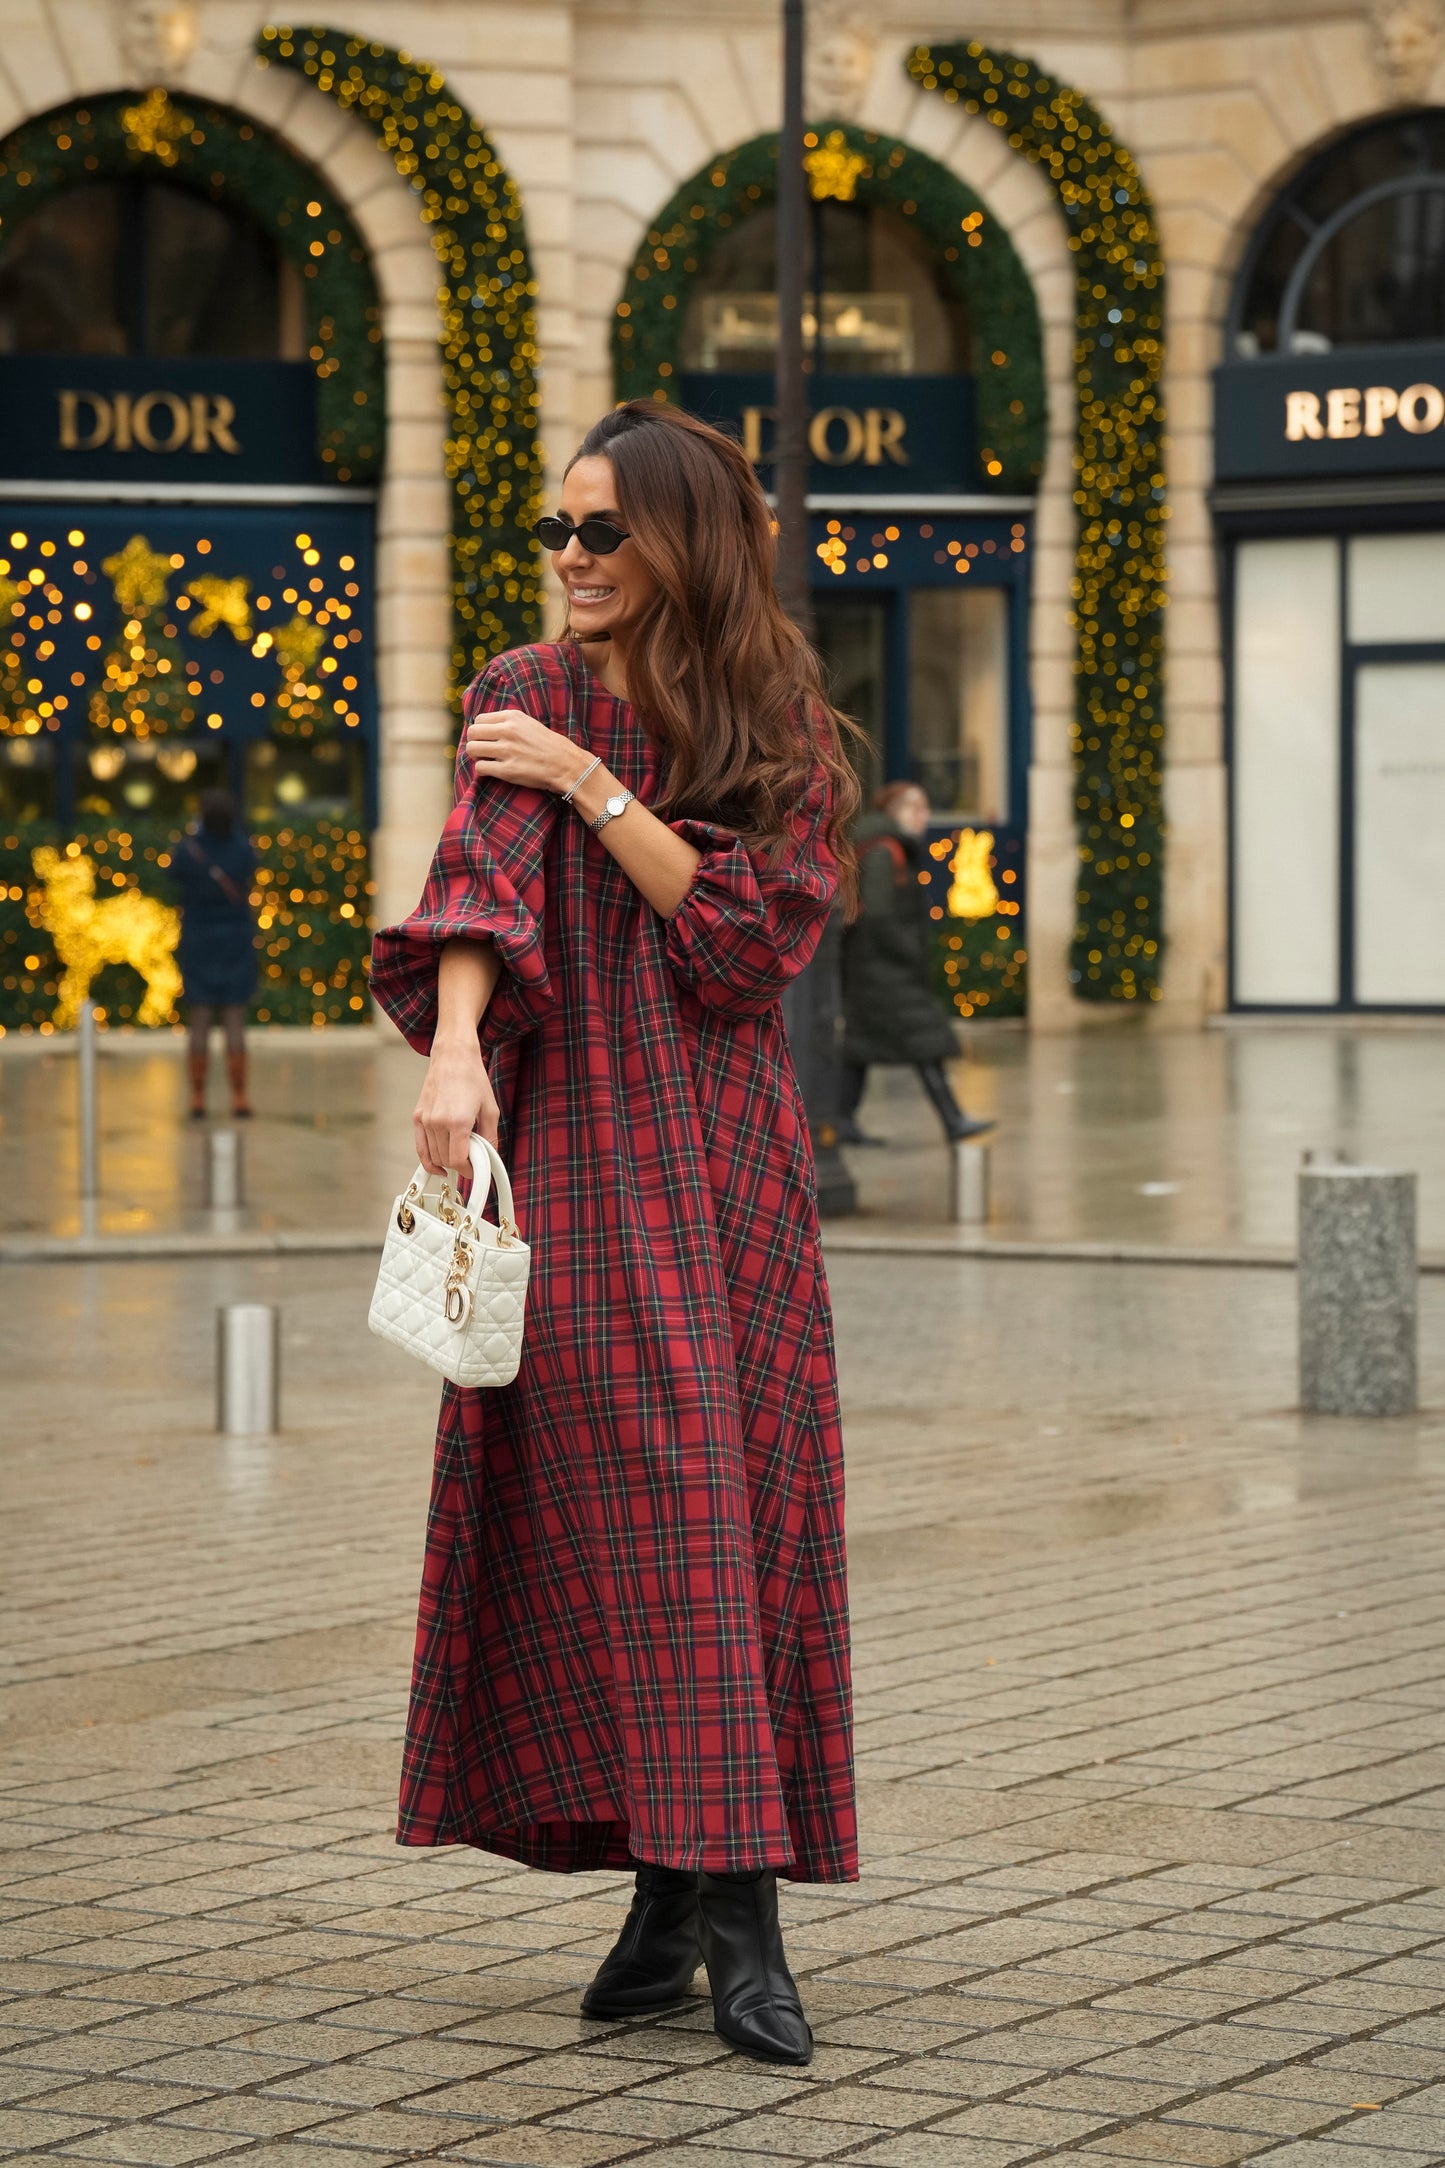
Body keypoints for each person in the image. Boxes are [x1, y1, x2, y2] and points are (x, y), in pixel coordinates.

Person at [368, 401, 859, 2068]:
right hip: (577, 1151)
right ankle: (700, 1900)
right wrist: (451, 1049)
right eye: (558, 529)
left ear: (681, 540)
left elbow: (742, 947)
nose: (571, 558)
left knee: (740, 1513)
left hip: (729, 1172)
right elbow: (474, 890)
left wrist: (592, 784)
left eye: (602, 531)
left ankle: (707, 1905)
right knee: (629, 1515)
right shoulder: (521, 686)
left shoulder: (776, 716)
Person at [839, 780, 993, 1146]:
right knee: (925, 1043)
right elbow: (877, 914)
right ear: (895, 813)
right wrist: (909, 950)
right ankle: (952, 1120)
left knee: (861, 1048)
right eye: (916, 808)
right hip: (884, 969)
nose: (924, 816)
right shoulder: (884, 852)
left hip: (876, 968)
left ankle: (842, 1121)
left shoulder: (888, 848)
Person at [169, 788, 257, 1120]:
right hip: (235, 939)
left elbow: (173, 875)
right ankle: (239, 1096)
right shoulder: (242, 847)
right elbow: (251, 870)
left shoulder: (189, 849)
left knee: (200, 1018)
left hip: (199, 940)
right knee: (234, 1018)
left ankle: (197, 1097)